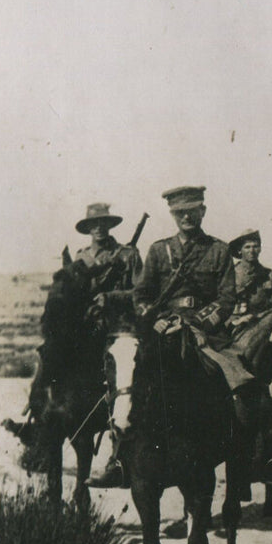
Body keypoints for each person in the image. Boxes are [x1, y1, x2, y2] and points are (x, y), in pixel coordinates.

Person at [89, 185, 247, 487]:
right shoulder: (159, 250)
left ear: (202, 211)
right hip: (161, 330)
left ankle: (238, 452)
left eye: (192, 211)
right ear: (173, 215)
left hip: (204, 333)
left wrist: (195, 323)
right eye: (180, 213)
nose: (187, 217)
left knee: (239, 382)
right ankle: (117, 460)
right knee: (128, 383)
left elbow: (227, 298)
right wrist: (157, 320)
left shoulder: (218, 250)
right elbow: (142, 295)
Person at [6, 201, 143, 445]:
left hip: (117, 327)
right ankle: (36, 418)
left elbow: (141, 292)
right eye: (93, 224)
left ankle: (126, 428)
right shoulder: (81, 257)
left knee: (124, 371)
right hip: (85, 327)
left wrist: (111, 298)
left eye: (103, 223)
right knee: (48, 354)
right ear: (88, 228)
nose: (98, 228)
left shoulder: (128, 255)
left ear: (109, 225)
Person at [226, 228, 272, 366]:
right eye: (247, 247)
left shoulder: (269, 275)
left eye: (255, 246)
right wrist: (236, 320)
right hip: (236, 325)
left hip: (263, 323)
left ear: (260, 249)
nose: (252, 250)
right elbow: (221, 302)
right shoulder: (230, 274)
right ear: (239, 250)